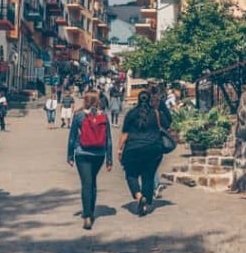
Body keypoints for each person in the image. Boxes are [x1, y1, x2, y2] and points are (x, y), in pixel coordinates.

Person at [116, 83, 170, 217]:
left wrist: (119, 149)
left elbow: (125, 134)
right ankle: (146, 199)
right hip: (154, 149)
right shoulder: (155, 114)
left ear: (138, 100)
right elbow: (167, 124)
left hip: (133, 149)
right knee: (149, 175)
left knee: (131, 174)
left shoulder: (131, 114)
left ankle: (139, 196)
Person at [66, 90, 113, 230]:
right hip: (99, 154)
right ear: (98, 101)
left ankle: (87, 215)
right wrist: (109, 159)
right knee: (92, 182)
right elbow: (108, 140)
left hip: (82, 153)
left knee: (86, 183)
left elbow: (72, 137)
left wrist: (69, 155)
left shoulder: (79, 116)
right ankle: (91, 211)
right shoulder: (104, 116)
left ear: (85, 101)